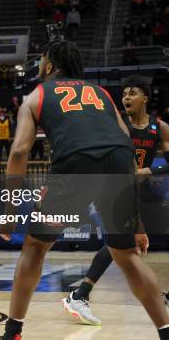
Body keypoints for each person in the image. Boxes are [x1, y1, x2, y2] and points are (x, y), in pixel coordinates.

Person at [0, 40, 169, 340]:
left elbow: (18, 152)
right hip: (119, 161)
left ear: (50, 65)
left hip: (76, 165)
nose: (39, 65)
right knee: (126, 254)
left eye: (41, 60)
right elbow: (126, 142)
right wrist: (137, 222)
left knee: (36, 246)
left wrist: (9, 212)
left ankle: (13, 331)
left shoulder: (37, 95)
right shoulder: (102, 94)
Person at [63, 75, 169, 325]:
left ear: (145, 97)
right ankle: (81, 294)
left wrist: (149, 171)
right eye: (123, 94)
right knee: (120, 244)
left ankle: (80, 294)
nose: (126, 97)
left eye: (132, 93)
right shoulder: (115, 124)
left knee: (119, 245)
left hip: (143, 190)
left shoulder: (159, 127)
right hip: (114, 189)